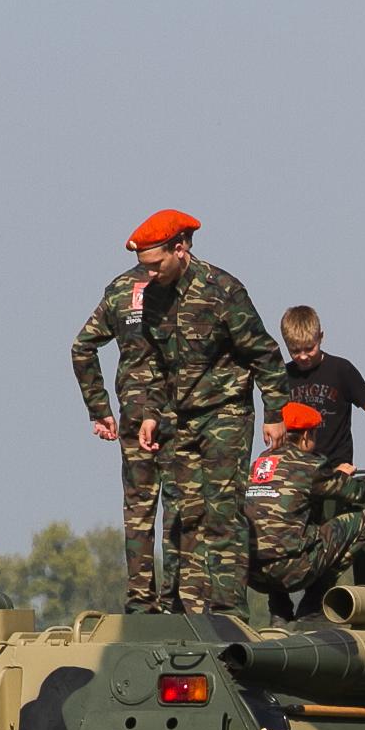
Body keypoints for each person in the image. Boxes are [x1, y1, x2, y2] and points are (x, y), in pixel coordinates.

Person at [122, 211, 290, 616]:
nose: (148, 274)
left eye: (155, 264)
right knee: (184, 513)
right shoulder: (153, 295)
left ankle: (228, 610)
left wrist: (275, 412)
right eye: (143, 267)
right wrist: (148, 412)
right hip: (177, 418)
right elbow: (152, 362)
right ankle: (189, 611)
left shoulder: (222, 291)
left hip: (224, 414)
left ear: (180, 249)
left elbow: (265, 354)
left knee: (222, 512)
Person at [71, 215, 182, 611]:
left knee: (138, 510)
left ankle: (139, 601)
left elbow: (81, 347)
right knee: (179, 507)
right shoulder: (178, 287)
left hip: (133, 413)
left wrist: (99, 409)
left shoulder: (119, 290)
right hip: (178, 410)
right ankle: (173, 601)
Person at [246, 402, 365, 618]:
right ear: (305, 437)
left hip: (254, 574)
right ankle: (314, 604)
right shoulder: (310, 465)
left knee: (280, 531)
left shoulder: (259, 463)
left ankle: (279, 612)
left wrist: (334, 476)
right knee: (362, 519)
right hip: (292, 571)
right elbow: (359, 492)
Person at [280, 307, 365, 478]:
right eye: (295, 351)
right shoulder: (281, 377)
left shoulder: (341, 370)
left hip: (338, 470)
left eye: (309, 348)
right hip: (296, 473)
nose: (304, 356)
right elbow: (274, 424)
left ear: (321, 337)